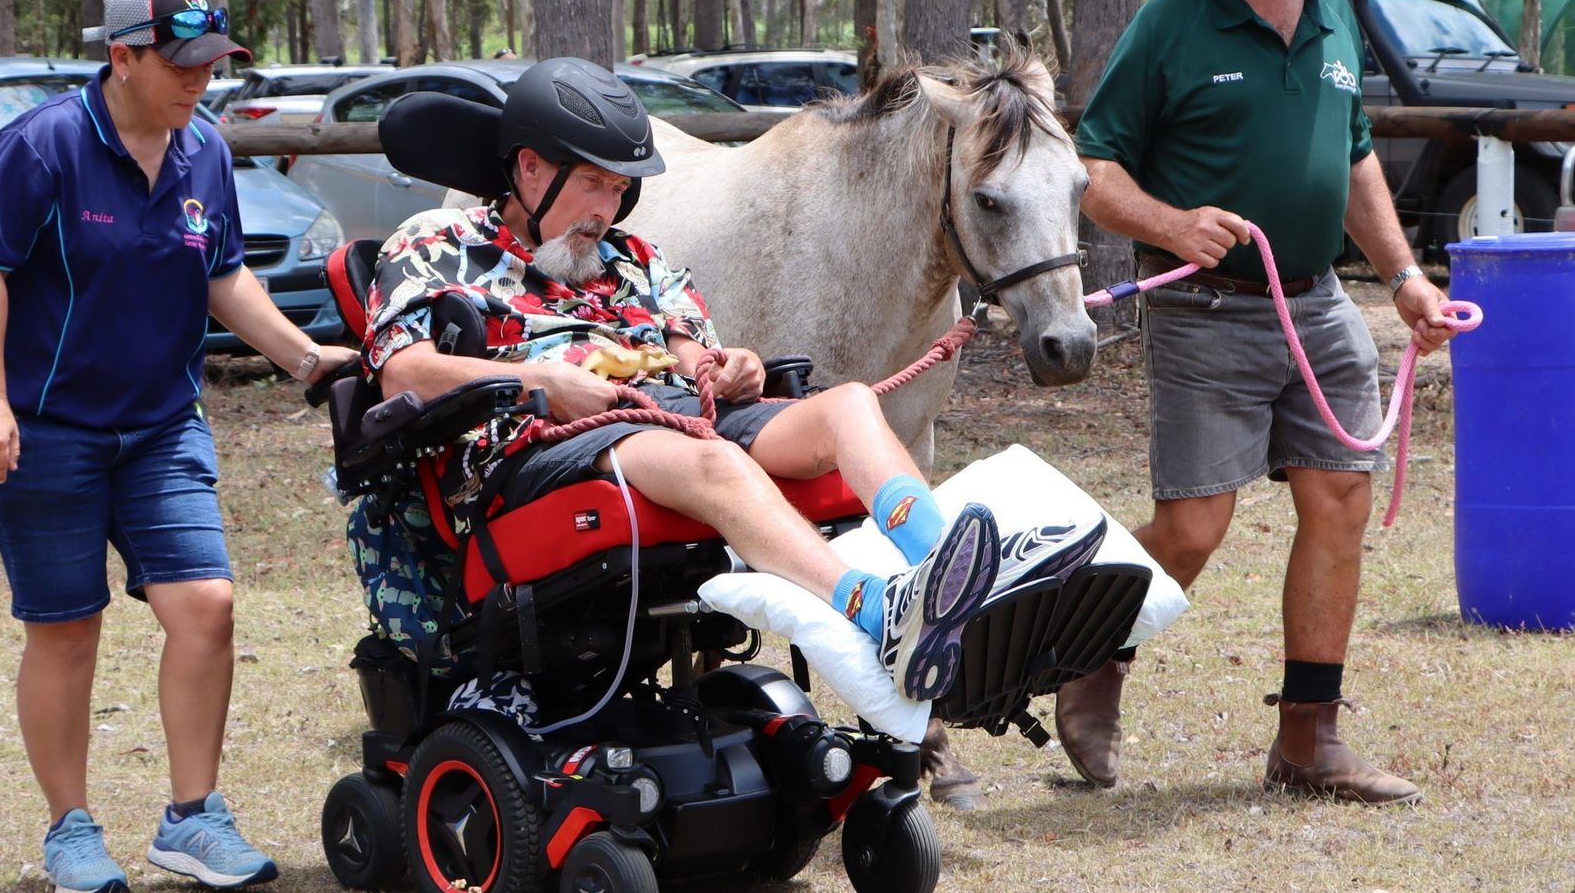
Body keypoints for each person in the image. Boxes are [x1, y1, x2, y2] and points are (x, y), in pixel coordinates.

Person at [357, 57, 1103, 704]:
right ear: (529, 168)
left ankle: (953, 575)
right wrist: (537, 382)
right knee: (716, 461)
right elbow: (402, 371)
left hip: (668, 415)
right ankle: (876, 613)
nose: (605, 208)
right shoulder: (436, 242)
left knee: (845, 405)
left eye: (618, 189)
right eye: (591, 184)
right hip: (540, 442)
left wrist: (730, 366)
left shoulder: (632, 259)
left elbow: (692, 353)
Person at [1062, 0, 1458, 805]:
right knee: (1194, 526)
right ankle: (1093, 652)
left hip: (1320, 303)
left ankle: (1308, 739)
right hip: (1203, 311)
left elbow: (1354, 154)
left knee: (1341, 498)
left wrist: (1405, 277)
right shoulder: (1169, 24)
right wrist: (1168, 220)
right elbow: (1092, 169)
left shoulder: (1332, 10)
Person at [0, 0, 360, 893]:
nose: (199, 80)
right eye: (180, 63)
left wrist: (308, 358)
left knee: (206, 605)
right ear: (122, 56)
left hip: (162, 426)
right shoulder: (45, 145)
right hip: (46, 430)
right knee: (66, 630)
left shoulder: (203, 149)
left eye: (211, 62)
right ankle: (70, 830)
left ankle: (192, 818)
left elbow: (221, 276)